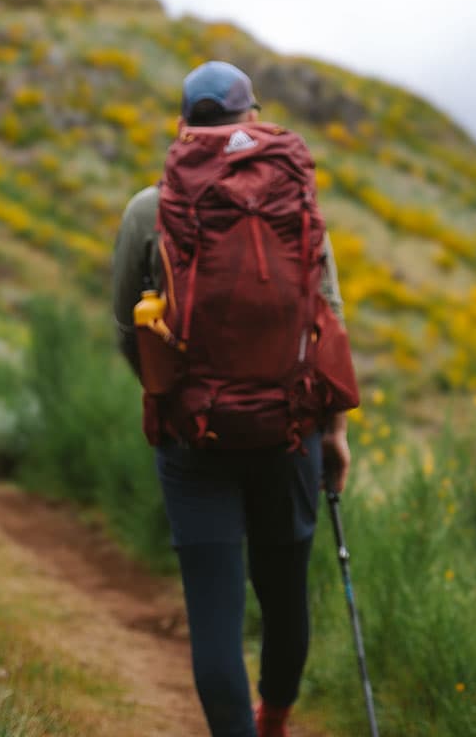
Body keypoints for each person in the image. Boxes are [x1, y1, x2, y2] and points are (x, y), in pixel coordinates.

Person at [110, 60, 355, 737]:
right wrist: (332, 435)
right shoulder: (294, 201)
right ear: (252, 119)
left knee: (214, 613)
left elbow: (123, 324)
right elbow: (326, 319)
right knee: (283, 599)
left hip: (194, 437)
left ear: (183, 124)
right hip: (289, 434)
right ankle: (273, 720)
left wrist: (169, 391)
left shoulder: (148, 208)